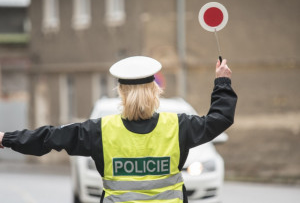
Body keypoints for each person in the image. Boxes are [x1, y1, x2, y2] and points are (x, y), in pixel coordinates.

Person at [0, 56, 237, 203]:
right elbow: (219, 119)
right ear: (155, 92)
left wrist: (6, 139)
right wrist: (222, 83)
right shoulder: (178, 126)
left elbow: (49, 138)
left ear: (121, 93)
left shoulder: (100, 131)